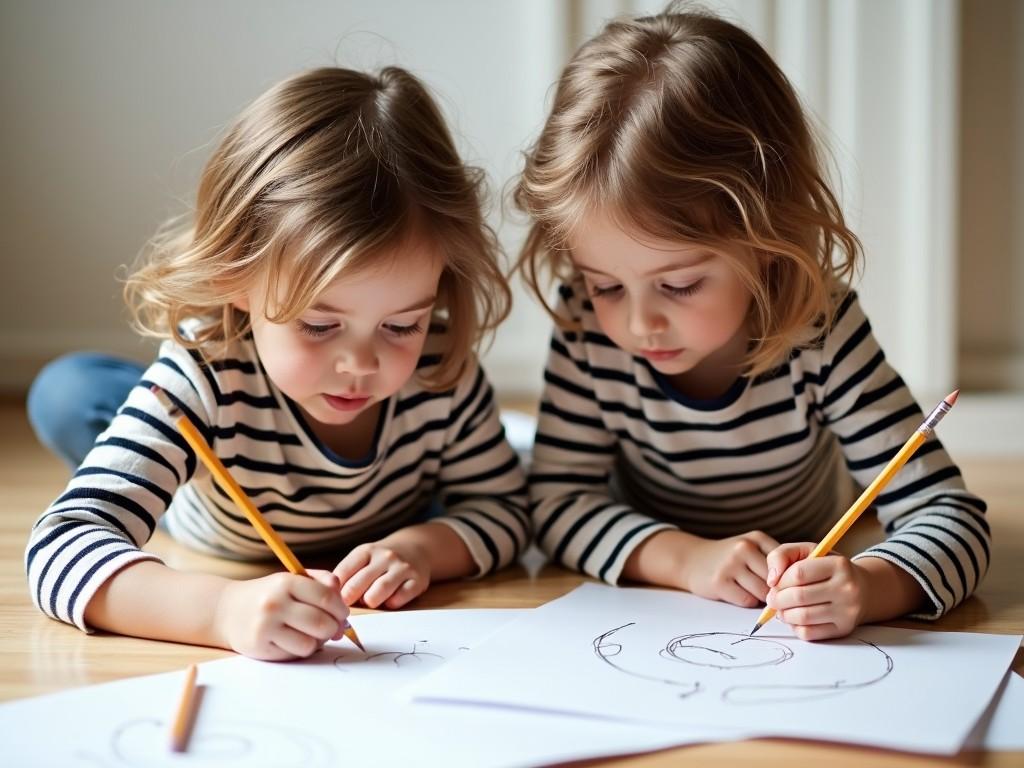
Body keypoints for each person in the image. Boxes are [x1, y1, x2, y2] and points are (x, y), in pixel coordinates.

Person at [514, 7, 988, 640]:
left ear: (766, 236)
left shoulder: (821, 329)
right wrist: (686, 560)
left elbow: (949, 513)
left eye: (679, 284)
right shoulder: (585, 324)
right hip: (662, 562)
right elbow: (558, 504)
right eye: (605, 285)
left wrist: (873, 584)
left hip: (811, 536)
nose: (638, 322)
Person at [26, 66, 530, 660]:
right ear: (235, 277)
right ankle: (150, 452)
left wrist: (421, 549)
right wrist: (221, 610)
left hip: (397, 510)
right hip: (214, 509)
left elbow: (506, 512)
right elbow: (60, 547)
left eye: (402, 325)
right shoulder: (204, 373)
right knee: (69, 392)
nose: (361, 364)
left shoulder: (443, 369)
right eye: (319, 325)